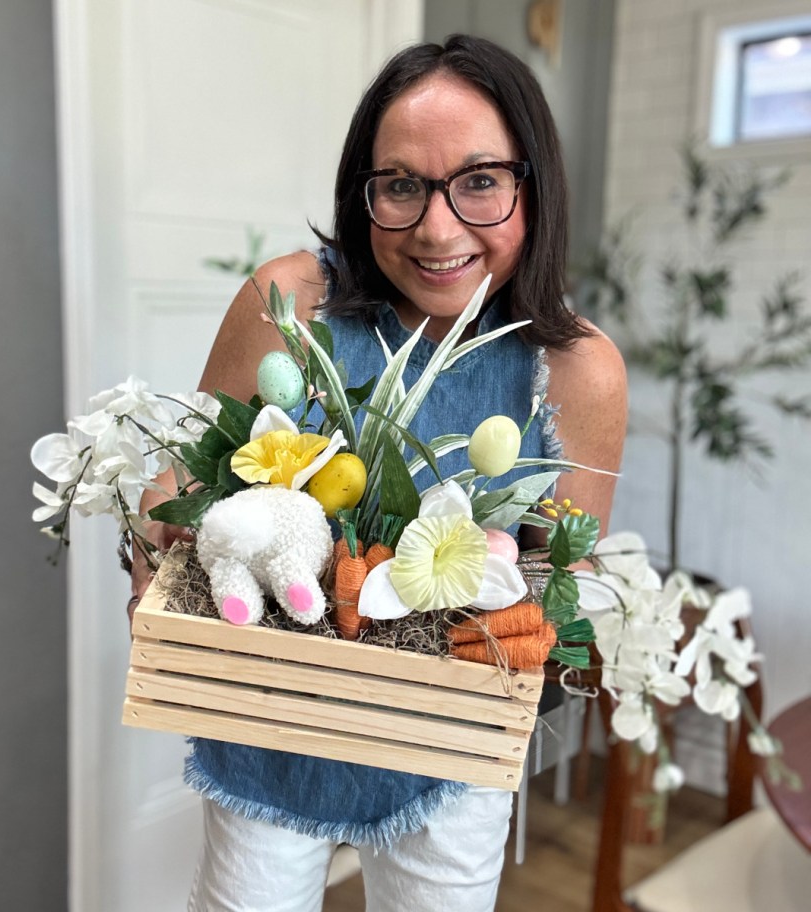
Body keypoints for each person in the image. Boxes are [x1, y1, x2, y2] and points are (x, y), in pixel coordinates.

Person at [131, 34, 627, 912]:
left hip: (448, 757)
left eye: (480, 180)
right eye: (400, 184)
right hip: (271, 729)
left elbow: (562, 585)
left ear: (534, 186)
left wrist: (547, 631)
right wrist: (155, 543)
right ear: (364, 193)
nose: (438, 229)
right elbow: (181, 485)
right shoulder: (290, 306)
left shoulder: (576, 369)